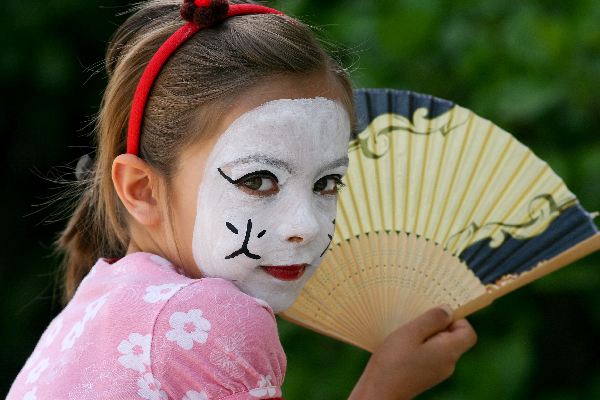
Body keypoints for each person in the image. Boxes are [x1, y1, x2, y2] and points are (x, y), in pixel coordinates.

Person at [7, 0, 477, 399]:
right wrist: (384, 388)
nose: (307, 226)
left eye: (327, 184)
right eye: (258, 181)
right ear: (142, 190)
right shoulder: (210, 322)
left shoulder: (100, 303)